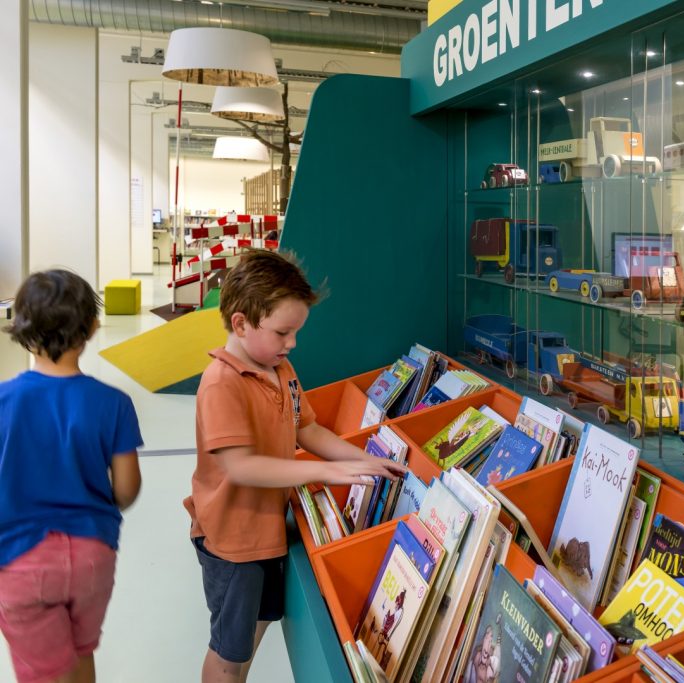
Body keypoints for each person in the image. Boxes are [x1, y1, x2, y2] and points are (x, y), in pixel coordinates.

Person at [184, 249, 407, 683]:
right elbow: (241, 467)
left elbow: (310, 431)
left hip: (267, 534)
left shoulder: (280, 367)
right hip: (233, 544)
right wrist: (323, 472)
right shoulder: (221, 383)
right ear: (242, 324)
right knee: (229, 656)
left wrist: (364, 460)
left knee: (251, 638)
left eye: (296, 332)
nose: (292, 344)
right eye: (284, 332)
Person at [0, 270, 143, 683]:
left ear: (20, 329)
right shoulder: (114, 403)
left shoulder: (5, 401)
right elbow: (127, 489)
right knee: (81, 651)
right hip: (93, 556)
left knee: (44, 673)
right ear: (93, 327)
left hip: (20, 560)